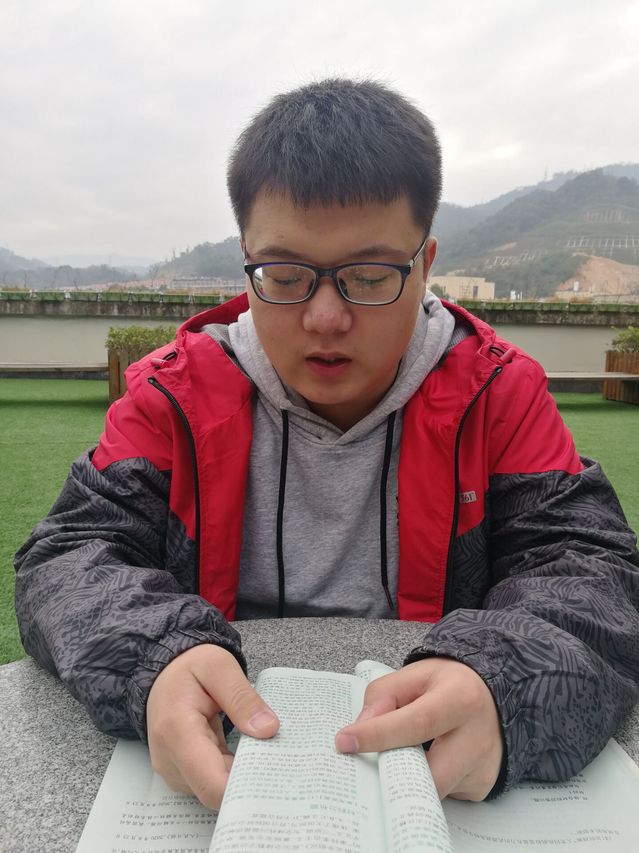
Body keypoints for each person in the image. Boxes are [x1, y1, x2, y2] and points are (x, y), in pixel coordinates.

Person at [14, 78, 639, 812]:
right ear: (246, 259)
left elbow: (590, 570)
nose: (324, 318)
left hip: (424, 763)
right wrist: (159, 655)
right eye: (283, 275)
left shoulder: (495, 392)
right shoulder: (174, 395)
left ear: (425, 264)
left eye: (369, 277)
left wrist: (499, 679)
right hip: (240, 748)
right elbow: (69, 557)